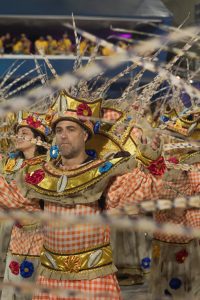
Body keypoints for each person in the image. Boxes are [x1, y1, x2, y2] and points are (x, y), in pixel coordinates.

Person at [0, 90, 193, 300]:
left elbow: (150, 191)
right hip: (50, 282)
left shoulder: (104, 173)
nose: (64, 135)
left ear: (85, 135)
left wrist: (152, 161)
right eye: (59, 130)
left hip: (93, 281)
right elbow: (12, 198)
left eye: (71, 129)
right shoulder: (40, 175)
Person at [0, 111, 51, 300]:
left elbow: (21, 199)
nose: (19, 136)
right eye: (18, 132)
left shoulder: (45, 166)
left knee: (29, 281)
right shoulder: (14, 164)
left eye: (25, 133)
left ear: (38, 139)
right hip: (18, 229)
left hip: (38, 231)